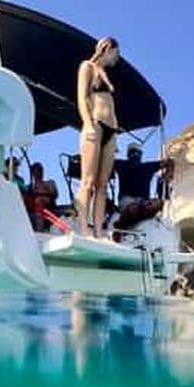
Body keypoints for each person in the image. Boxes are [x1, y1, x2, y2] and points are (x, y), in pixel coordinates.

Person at [76, 36, 121, 238]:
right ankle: (84, 229)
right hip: (94, 124)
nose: (117, 59)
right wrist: (87, 123)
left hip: (111, 129)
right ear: (107, 49)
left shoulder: (106, 74)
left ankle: (98, 232)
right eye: (116, 54)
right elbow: (82, 96)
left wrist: (116, 130)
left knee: (102, 185)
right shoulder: (87, 66)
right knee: (88, 181)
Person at [113, 143, 173, 229]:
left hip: (144, 202)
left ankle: (145, 221)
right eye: (133, 152)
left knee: (158, 203)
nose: (135, 155)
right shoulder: (121, 164)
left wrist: (168, 174)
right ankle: (121, 227)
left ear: (141, 154)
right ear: (128, 154)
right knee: (133, 208)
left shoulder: (148, 166)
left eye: (137, 152)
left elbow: (170, 162)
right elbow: (106, 160)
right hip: (127, 200)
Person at [27, 162, 59, 231]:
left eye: (40, 170)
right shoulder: (30, 187)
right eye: (36, 171)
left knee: (40, 201)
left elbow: (55, 194)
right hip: (34, 207)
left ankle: (40, 229)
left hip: (48, 206)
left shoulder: (50, 183)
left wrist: (44, 192)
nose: (39, 173)